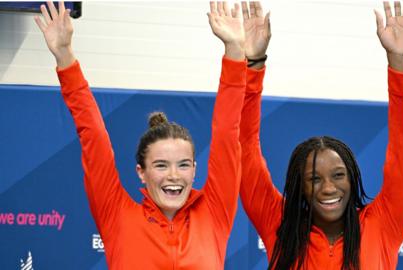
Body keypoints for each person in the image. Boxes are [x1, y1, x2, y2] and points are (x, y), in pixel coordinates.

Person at [34, 1, 249, 269]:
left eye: (183, 165)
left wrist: (235, 51)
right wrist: (65, 57)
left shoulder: (215, 211)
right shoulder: (116, 215)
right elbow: (93, 137)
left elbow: (228, 132)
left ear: (195, 169)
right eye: (161, 165)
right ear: (141, 172)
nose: (173, 175)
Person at [239, 1, 403, 269]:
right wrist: (253, 64)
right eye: (314, 178)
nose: (329, 188)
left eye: (338, 175)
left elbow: (402, 148)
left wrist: (398, 62)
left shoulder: (383, 222)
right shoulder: (279, 224)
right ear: (300, 187)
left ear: (352, 178)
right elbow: (244, 149)